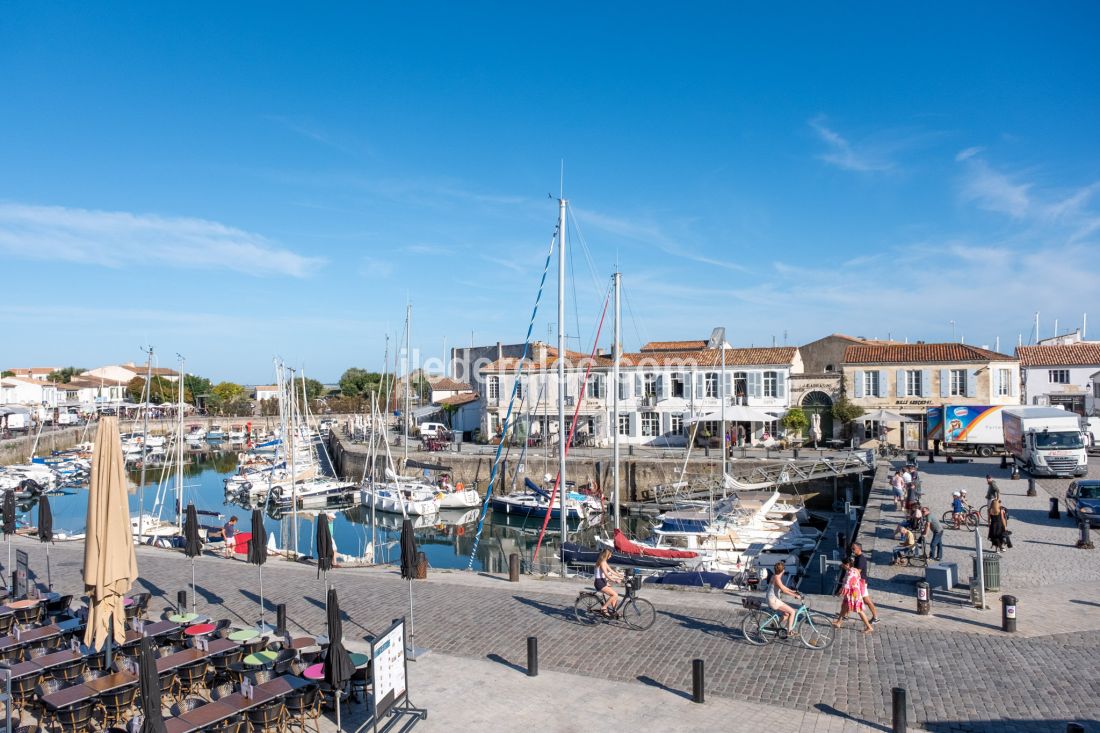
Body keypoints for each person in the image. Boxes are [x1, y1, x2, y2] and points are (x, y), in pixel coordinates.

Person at [832, 558, 874, 634]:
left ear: (847, 564)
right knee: (844, 607)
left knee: (859, 610)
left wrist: (839, 592)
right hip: (853, 593)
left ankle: (869, 627)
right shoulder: (855, 570)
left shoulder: (850, 572)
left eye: (843, 564)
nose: (842, 566)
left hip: (853, 594)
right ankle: (838, 622)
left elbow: (846, 585)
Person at [765, 560, 801, 636]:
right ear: (783, 570)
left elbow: (782, 587)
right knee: (792, 612)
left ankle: (775, 625)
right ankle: (789, 631)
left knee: (787, 614)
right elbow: (783, 590)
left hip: (772, 599)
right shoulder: (777, 578)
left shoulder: (774, 576)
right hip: (773, 600)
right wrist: (795, 595)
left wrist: (792, 591)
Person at [849, 542, 879, 624]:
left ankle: (875, 617)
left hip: (861, 583)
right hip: (859, 583)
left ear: (859, 549)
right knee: (850, 597)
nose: (852, 550)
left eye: (853, 549)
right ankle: (845, 614)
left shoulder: (861, 559)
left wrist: (848, 568)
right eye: (852, 548)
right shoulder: (857, 557)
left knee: (866, 601)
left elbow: (857, 572)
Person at [593, 548, 624, 614]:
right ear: (607, 555)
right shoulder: (602, 562)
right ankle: (604, 607)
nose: (611, 556)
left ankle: (614, 611)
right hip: (599, 582)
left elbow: (611, 571)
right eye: (610, 555)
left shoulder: (604, 561)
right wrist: (614, 580)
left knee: (614, 595)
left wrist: (620, 576)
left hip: (603, 581)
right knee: (615, 595)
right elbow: (606, 574)